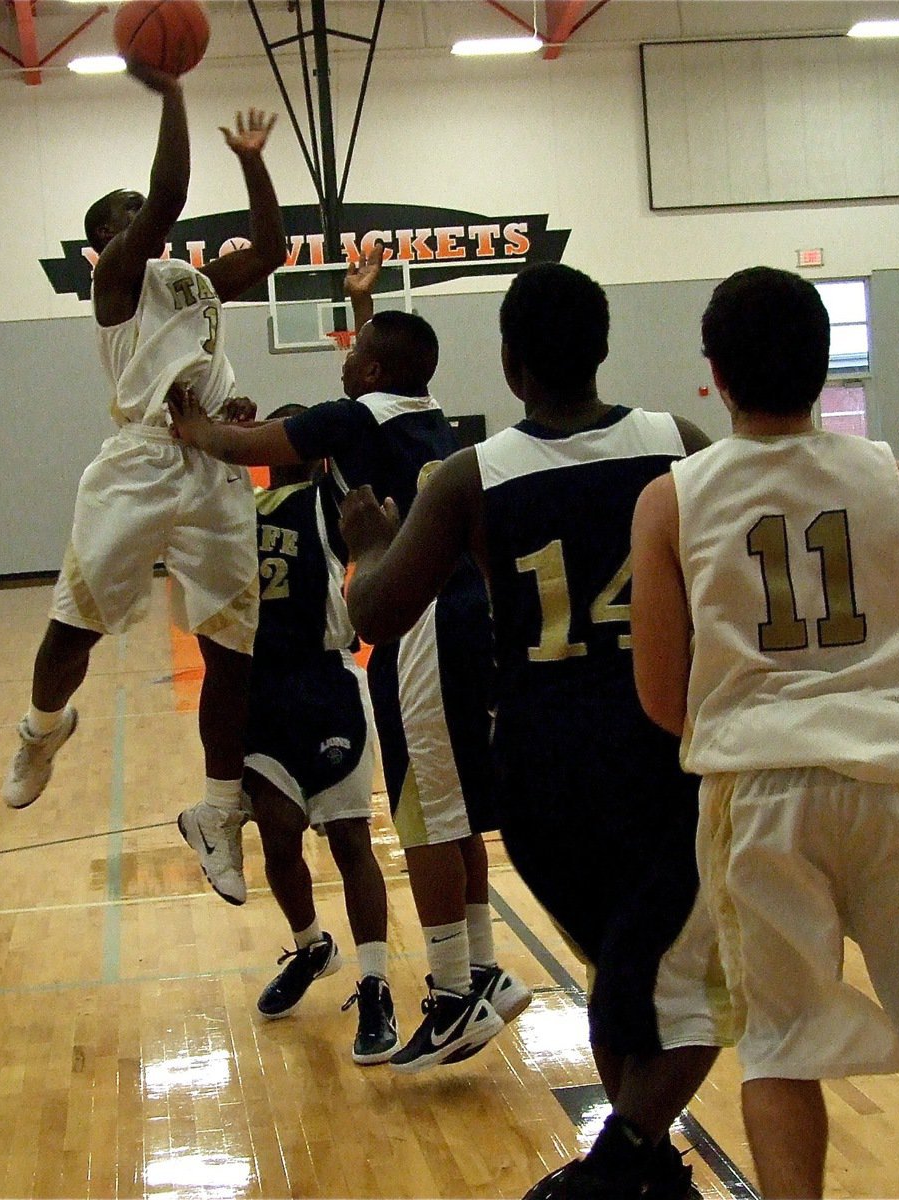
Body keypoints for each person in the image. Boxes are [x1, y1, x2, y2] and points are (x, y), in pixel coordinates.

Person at [629, 265, 899, 1200]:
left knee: (781, 1050)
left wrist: (758, 729)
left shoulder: (674, 498)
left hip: (762, 793)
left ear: (714, 375)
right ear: (823, 368)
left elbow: (660, 694)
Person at [337, 261, 731, 1200]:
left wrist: (363, 549)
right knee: (686, 982)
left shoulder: (470, 476)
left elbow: (378, 613)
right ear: (602, 349)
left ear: (510, 365)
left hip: (543, 770)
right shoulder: (675, 442)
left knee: (618, 971)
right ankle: (624, 1162)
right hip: (662, 752)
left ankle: (637, 1173)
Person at [165, 253, 529, 1074]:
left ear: (366, 368)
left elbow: (251, 440)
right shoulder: (428, 419)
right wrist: (361, 302)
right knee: (459, 807)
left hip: (422, 615)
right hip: (476, 616)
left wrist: (195, 428)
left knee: (425, 812)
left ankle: (447, 995)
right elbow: (375, 361)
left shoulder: (350, 420)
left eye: (352, 343)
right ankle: (478, 967)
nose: (340, 351)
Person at [0, 60, 287, 912]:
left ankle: (217, 812)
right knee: (71, 636)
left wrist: (253, 160)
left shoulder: (191, 284)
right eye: (123, 215)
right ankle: (41, 730)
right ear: (108, 241)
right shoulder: (116, 281)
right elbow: (164, 198)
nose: (143, 216)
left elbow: (269, 251)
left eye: (140, 209)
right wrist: (170, 92)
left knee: (231, 649)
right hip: (137, 463)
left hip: (214, 461)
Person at [230, 403, 397, 1064]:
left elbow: (364, 429)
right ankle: (310, 948)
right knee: (276, 835)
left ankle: (376, 985)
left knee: (350, 839)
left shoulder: (333, 498)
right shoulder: (240, 508)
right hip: (263, 689)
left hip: (326, 683)